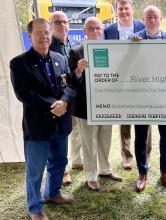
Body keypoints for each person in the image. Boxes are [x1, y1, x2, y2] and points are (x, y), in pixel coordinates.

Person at [10, 18, 75, 220]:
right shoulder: (19, 63)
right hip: (37, 127)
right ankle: (35, 208)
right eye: (38, 33)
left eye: (46, 32)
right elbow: (24, 94)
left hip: (60, 123)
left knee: (59, 161)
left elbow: (69, 85)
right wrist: (52, 105)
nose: (44, 36)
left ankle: (53, 193)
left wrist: (64, 102)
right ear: (30, 36)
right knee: (35, 170)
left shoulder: (60, 58)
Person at [68, 17, 122, 191]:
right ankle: (91, 175)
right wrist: (78, 70)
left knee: (105, 138)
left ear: (103, 30)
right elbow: (71, 81)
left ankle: (105, 169)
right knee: (89, 141)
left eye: (98, 28)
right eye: (90, 29)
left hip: (107, 103)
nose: (95, 32)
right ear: (85, 31)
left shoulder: (111, 50)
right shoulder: (76, 52)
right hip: (86, 106)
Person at [131, 5, 166, 192]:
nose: (151, 21)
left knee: (165, 137)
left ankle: (165, 172)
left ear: (161, 19)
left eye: (155, 17)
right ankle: (142, 173)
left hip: (164, 98)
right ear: (143, 19)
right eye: (148, 17)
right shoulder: (133, 40)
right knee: (141, 138)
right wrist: (130, 49)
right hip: (141, 98)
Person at [104, 0, 152, 170]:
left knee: (145, 118)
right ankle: (127, 156)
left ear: (132, 9)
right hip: (121, 81)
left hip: (142, 79)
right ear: (116, 11)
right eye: (120, 9)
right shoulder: (109, 31)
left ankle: (146, 154)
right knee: (124, 119)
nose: (124, 11)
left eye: (127, 8)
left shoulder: (142, 26)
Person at [49, 11, 82, 185]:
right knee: (60, 135)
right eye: (57, 22)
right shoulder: (48, 46)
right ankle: (63, 171)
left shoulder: (76, 44)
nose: (62, 25)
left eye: (64, 22)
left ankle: (77, 160)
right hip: (60, 98)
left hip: (77, 95)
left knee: (75, 130)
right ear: (50, 26)